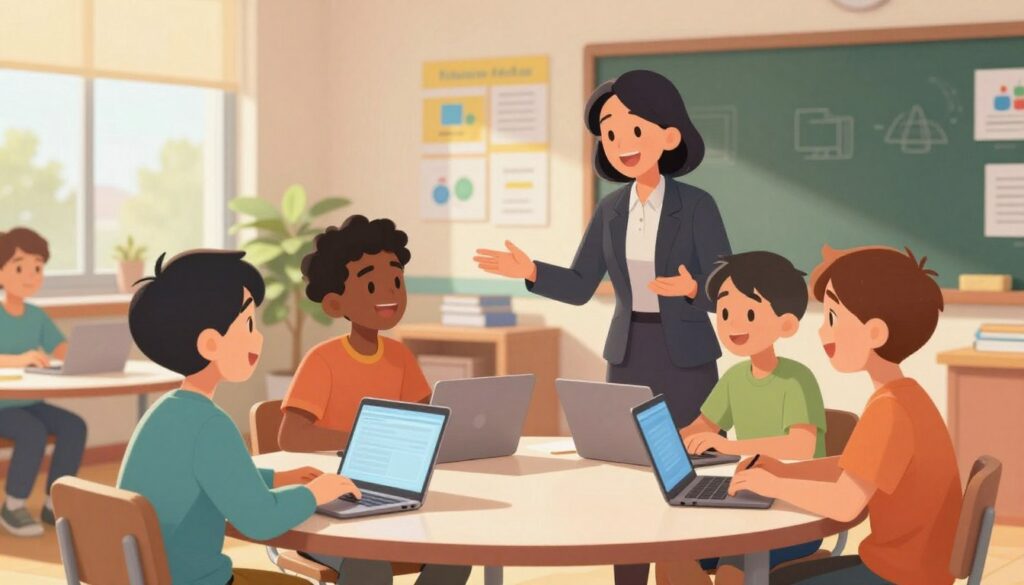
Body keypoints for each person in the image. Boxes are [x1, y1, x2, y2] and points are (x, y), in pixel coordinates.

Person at [473, 69, 732, 585]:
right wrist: (531, 271)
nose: (621, 143)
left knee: (694, 470)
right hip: (630, 354)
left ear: (669, 135)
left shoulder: (697, 206)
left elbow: (727, 287)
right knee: (627, 478)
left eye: (634, 130)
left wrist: (692, 288)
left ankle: (700, 572)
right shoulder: (611, 209)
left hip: (687, 358)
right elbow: (579, 285)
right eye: (610, 134)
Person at [118, 250, 361, 585]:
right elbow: (261, 520)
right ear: (210, 343)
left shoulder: (164, 413)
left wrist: (277, 477)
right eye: (248, 325)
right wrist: (317, 492)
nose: (257, 338)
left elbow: (209, 474)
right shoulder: (209, 424)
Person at [729, 245, 961, 585]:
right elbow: (853, 469)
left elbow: (844, 503)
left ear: (875, 332)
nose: (822, 332)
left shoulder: (891, 411)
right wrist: (785, 470)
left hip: (897, 576)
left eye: (833, 318)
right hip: (914, 569)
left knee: (769, 580)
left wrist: (773, 485)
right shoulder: (906, 396)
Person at [278, 215, 471, 585]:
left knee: (456, 555)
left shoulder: (400, 357)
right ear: (334, 303)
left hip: (389, 494)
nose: (390, 295)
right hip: (325, 505)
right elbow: (291, 436)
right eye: (371, 285)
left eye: (396, 282)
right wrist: (365, 440)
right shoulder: (322, 360)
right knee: (369, 567)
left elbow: (424, 419)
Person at [660, 251, 827, 585]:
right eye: (725, 313)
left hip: (795, 511)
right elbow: (701, 428)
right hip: (747, 500)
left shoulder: (797, 380)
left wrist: (730, 445)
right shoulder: (735, 378)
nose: (733, 324)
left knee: (731, 569)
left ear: (786, 324)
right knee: (670, 555)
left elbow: (802, 446)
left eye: (749, 313)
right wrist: (661, 442)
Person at [0, 227, 86, 537]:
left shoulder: (37, 316)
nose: (30, 276)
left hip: (31, 402)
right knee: (32, 431)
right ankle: (13, 506)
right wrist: (19, 359)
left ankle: (54, 503)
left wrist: (86, 354)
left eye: (37, 268)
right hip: (3, 407)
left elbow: (61, 348)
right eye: (20, 267)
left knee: (74, 426)